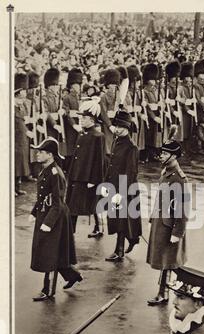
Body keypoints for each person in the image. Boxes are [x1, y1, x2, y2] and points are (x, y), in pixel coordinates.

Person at [29, 138, 82, 301]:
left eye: (41, 152)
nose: (37, 154)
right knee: (54, 252)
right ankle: (73, 276)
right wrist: (34, 212)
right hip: (46, 214)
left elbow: (58, 203)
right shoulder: (45, 169)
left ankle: (48, 290)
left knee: (50, 252)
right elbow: (43, 196)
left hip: (56, 217)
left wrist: (48, 223)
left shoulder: (55, 173)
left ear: (50, 155)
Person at [147, 125, 189, 305]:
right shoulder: (166, 172)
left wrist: (177, 232)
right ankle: (167, 289)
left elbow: (182, 209)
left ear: (173, 156)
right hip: (161, 221)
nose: (161, 156)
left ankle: (164, 293)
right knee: (165, 259)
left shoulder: (178, 178)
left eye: (165, 154)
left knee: (168, 260)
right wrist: (151, 217)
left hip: (170, 225)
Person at [102, 110, 142, 262]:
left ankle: (119, 252)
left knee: (121, 220)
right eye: (116, 126)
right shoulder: (116, 141)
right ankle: (132, 239)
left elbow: (131, 172)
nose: (117, 129)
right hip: (114, 186)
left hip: (125, 189)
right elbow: (111, 165)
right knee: (119, 219)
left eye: (121, 127)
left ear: (127, 128)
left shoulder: (131, 147)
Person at [66, 98, 106, 236]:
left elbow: (98, 160)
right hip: (76, 175)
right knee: (73, 204)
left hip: (87, 178)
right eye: (81, 118)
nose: (81, 120)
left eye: (84, 118)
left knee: (92, 204)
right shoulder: (83, 133)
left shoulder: (98, 136)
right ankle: (70, 231)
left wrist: (95, 180)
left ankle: (99, 228)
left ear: (92, 120)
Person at [62, 68, 83, 173]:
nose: (79, 87)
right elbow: (67, 113)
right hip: (71, 126)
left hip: (80, 122)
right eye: (76, 85)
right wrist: (74, 125)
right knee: (70, 147)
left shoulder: (80, 97)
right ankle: (69, 168)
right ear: (72, 86)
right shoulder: (67, 98)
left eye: (79, 85)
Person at [15, 73, 30, 196]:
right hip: (15, 140)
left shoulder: (20, 107)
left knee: (20, 164)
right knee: (15, 164)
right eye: (20, 98)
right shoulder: (12, 108)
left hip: (22, 139)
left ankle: (17, 187)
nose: (22, 100)